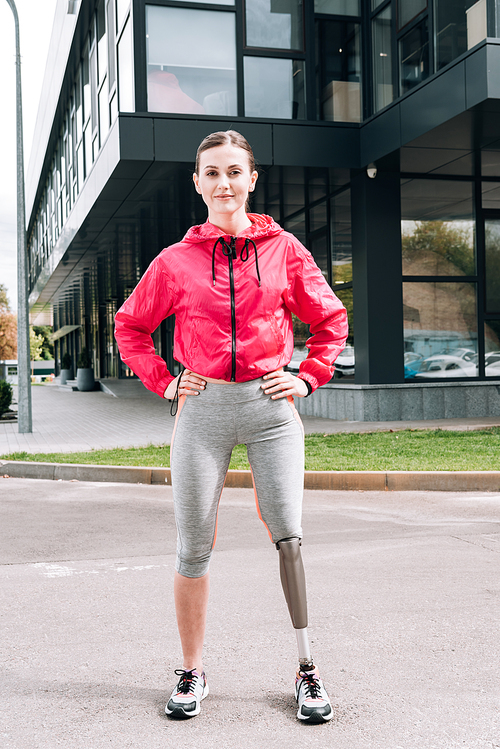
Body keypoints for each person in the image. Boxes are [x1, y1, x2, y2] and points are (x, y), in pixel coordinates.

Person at [114, 130, 348, 723]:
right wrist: (165, 382)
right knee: (193, 544)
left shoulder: (284, 249)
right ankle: (191, 673)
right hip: (204, 410)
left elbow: (331, 320)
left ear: (252, 180)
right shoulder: (174, 261)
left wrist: (308, 375)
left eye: (234, 172)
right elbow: (130, 327)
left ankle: (307, 671)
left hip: (271, 409)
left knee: (288, 534)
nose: (223, 183)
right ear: (197, 184)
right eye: (211, 173)